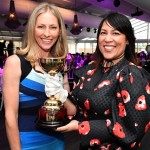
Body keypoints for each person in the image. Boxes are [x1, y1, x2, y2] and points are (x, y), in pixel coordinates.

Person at [56, 13, 150, 150]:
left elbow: (131, 131)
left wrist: (80, 126)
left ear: (128, 40)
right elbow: (76, 107)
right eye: (103, 33)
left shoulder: (131, 74)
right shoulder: (90, 70)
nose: (108, 39)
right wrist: (58, 88)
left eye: (116, 33)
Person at [2, 2, 76, 150]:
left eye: (53, 27)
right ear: (32, 29)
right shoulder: (15, 63)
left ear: (59, 31)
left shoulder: (60, 65)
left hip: (57, 141)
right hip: (28, 143)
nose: (47, 34)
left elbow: (71, 111)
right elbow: (10, 116)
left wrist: (59, 93)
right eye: (41, 26)